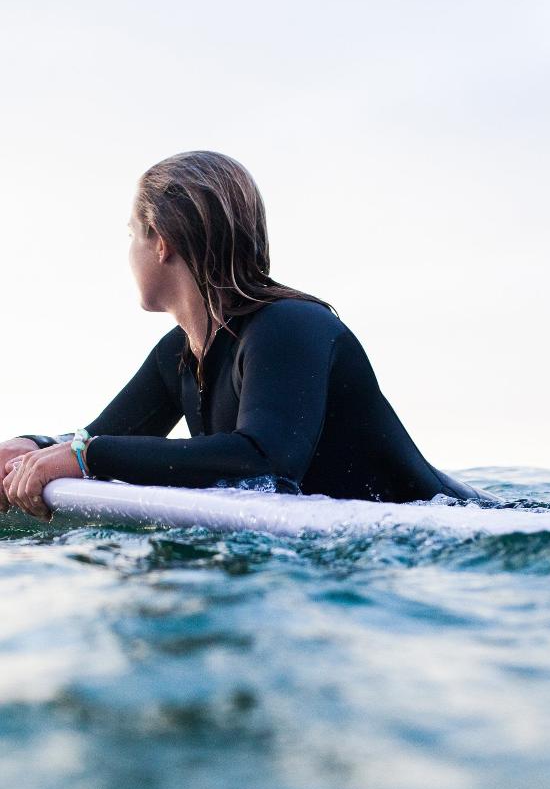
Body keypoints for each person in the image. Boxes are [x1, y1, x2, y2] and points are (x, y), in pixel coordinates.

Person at [1, 151, 491, 520]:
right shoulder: (180, 353)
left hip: (460, 529)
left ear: (161, 241)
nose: (129, 251)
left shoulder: (290, 325)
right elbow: (102, 440)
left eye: (131, 234)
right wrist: (32, 447)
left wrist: (83, 457)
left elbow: (265, 461)